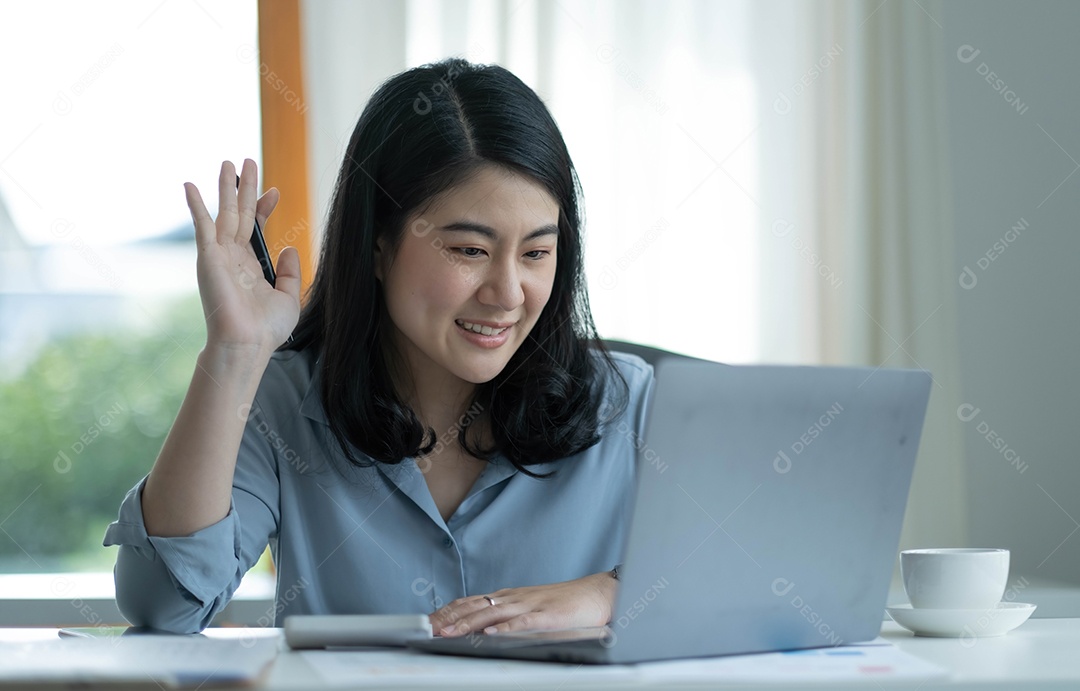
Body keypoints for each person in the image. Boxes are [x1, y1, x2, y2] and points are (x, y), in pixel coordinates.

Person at [104, 57, 653, 637]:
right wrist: (235, 351)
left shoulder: (635, 403)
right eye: (470, 250)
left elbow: (752, 578)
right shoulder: (283, 404)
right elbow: (162, 607)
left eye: (537, 253)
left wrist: (613, 593)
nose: (507, 293)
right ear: (377, 245)